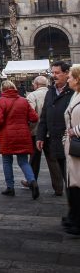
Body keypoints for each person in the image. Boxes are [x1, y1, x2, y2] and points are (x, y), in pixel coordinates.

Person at [0, 80, 39, 198]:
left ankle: (10, 188)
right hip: (23, 134)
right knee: (23, 161)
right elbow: (34, 117)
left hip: (7, 135)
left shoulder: (1, 101)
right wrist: (25, 124)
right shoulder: (23, 101)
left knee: (7, 161)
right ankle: (32, 181)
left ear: (2, 90)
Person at [36, 61, 73, 200]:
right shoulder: (50, 91)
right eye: (53, 73)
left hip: (71, 141)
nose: (54, 76)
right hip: (55, 140)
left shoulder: (74, 91)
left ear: (66, 73)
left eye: (57, 73)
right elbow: (44, 116)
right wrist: (40, 136)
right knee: (64, 172)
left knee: (72, 177)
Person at [24, 76, 63, 195]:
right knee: (53, 160)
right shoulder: (53, 94)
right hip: (52, 132)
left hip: (36, 132)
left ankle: (31, 181)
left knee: (34, 159)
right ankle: (59, 187)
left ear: (36, 84)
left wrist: (29, 128)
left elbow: (30, 115)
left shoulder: (32, 95)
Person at [63, 64, 80, 235]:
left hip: (78, 144)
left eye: (70, 77)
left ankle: (77, 220)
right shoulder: (75, 94)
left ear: (77, 79)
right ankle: (74, 216)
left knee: (77, 183)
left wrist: (75, 131)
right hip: (73, 146)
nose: (68, 79)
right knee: (74, 183)